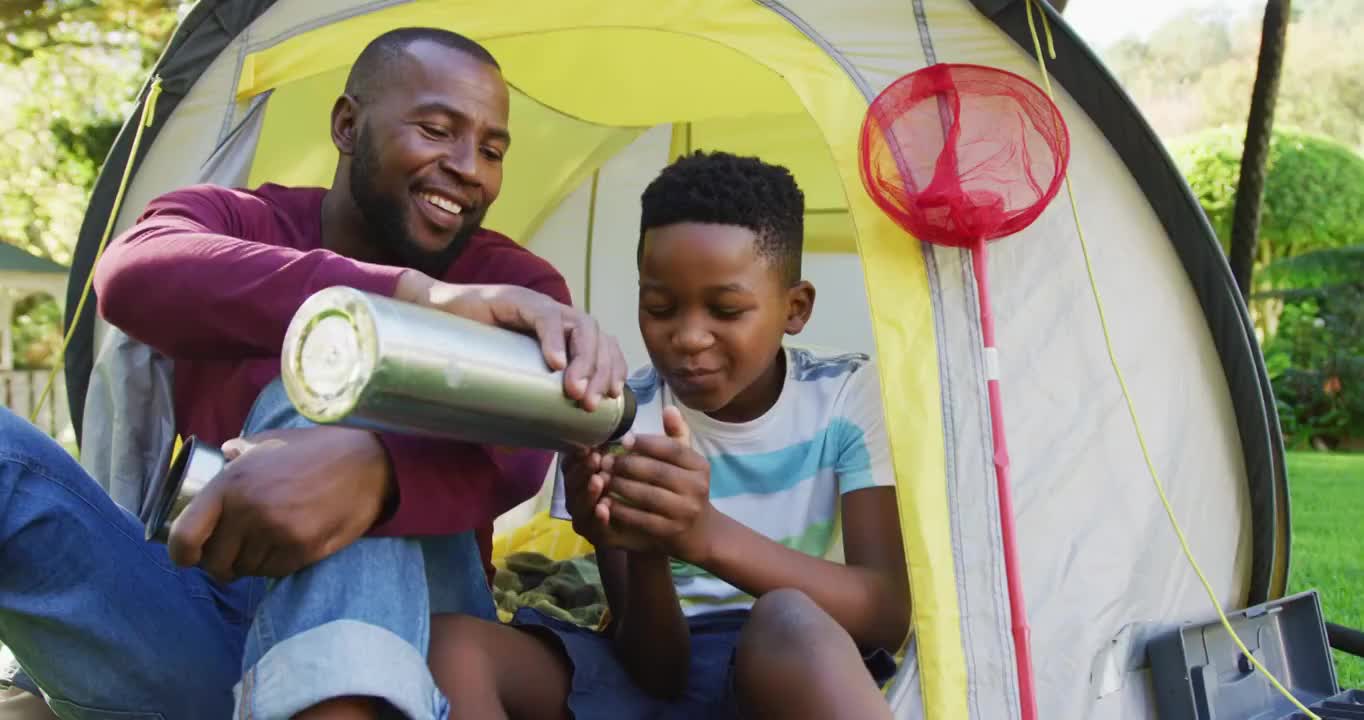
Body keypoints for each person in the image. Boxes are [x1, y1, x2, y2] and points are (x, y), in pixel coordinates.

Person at [0, 27, 626, 720]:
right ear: (348, 125)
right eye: (437, 129)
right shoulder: (238, 221)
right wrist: (413, 297)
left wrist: (377, 470)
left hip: (413, 640)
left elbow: (524, 448)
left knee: (340, 390)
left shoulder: (515, 281)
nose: (469, 166)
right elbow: (131, 276)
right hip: (207, 626)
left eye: (492, 149)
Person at [427, 151, 912, 719]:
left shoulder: (845, 397)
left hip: (791, 668)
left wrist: (700, 535)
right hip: (660, 673)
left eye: (726, 311)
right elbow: (657, 673)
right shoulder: (613, 414)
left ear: (794, 308)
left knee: (787, 616)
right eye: (659, 307)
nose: (688, 338)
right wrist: (641, 549)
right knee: (453, 647)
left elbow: (885, 615)